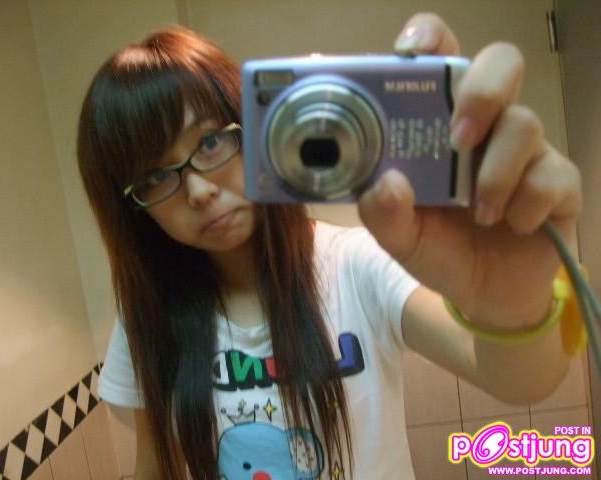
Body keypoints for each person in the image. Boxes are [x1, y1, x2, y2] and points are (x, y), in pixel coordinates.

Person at [77, 12, 583, 480]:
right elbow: (156, 466)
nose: (198, 190)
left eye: (210, 142)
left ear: (255, 130)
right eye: (156, 176)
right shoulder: (149, 313)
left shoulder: (354, 264)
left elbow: (520, 381)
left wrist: (513, 304)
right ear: (134, 208)